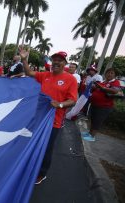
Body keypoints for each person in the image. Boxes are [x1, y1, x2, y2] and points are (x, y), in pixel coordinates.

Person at [19, 48, 78, 184]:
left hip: (54, 121)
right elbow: (28, 72)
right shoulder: (45, 75)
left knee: (46, 147)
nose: (56, 62)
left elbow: (73, 100)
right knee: (33, 143)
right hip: (38, 117)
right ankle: (31, 166)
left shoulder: (70, 79)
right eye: (54, 60)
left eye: (60, 60)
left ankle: (42, 173)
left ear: (65, 63)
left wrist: (60, 105)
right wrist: (23, 58)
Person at [81, 68, 121, 142]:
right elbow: (96, 89)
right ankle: (89, 133)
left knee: (98, 121)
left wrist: (102, 88)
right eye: (108, 72)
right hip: (95, 104)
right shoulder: (103, 81)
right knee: (93, 119)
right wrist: (94, 87)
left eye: (112, 73)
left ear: (115, 75)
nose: (109, 74)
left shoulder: (115, 82)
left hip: (104, 107)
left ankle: (92, 136)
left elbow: (114, 91)